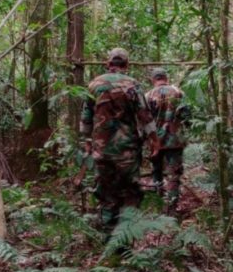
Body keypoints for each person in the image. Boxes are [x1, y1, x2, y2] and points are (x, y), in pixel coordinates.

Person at [80, 48, 160, 233]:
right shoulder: (132, 85)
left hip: (102, 151)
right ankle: (124, 239)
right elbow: (145, 115)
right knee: (130, 193)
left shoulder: (94, 85)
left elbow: (86, 117)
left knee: (107, 194)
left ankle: (109, 236)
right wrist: (154, 139)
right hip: (127, 151)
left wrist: (86, 141)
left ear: (108, 64)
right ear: (126, 65)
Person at [145, 68, 190, 215]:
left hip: (154, 140)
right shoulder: (178, 93)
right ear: (166, 78)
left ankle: (157, 205)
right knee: (173, 175)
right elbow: (187, 115)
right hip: (174, 140)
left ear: (153, 79)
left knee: (156, 171)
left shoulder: (148, 96)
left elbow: (143, 119)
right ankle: (171, 209)